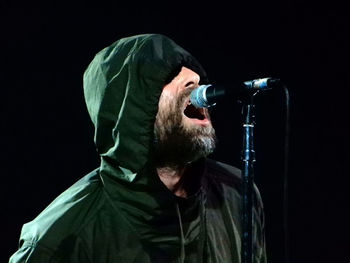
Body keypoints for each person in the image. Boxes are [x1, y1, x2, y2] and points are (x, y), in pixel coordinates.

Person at [9, 34, 267, 262]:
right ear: (129, 110)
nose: (194, 79)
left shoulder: (237, 192)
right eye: (167, 76)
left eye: (192, 71)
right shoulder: (60, 236)